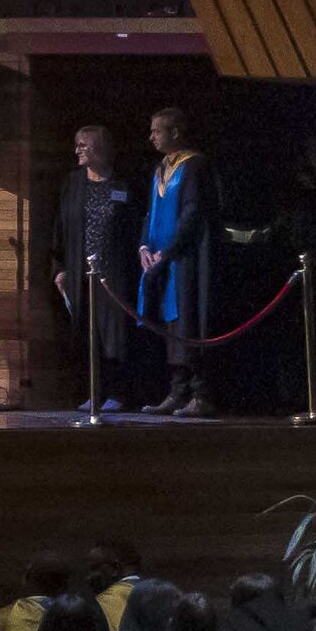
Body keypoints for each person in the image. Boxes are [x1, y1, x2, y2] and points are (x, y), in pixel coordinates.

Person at [49, 124, 135, 410]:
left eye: (83, 145)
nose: (77, 151)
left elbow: (133, 229)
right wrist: (59, 267)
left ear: (99, 147)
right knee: (86, 333)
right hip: (79, 273)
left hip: (113, 275)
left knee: (114, 335)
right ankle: (92, 393)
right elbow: (60, 228)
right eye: (77, 145)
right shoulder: (72, 183)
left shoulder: (122, 184)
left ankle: (117, 393)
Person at [136, 107, 211, 417]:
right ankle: (176, 391)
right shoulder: (160, 169)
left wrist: (167, 251)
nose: (151, 136)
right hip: (161, 260)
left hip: (185, 260)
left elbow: (193, 212)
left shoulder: (194, 166)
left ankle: (200, 394)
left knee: (189, 321)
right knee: (171, 322)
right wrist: (144, 246)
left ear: (175, 133)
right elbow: (150, 210)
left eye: (157, 130)